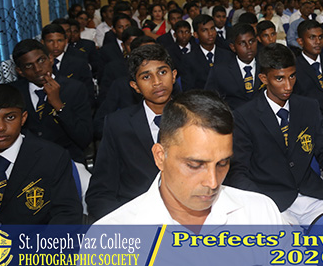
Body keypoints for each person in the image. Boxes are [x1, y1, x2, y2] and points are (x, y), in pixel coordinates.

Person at [96, 90, 284, 226]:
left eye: (222, 163)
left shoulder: (260, 212)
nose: (212, 182)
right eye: (195, 165)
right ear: (160, 156)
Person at [227, 43, 323, 225]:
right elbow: (239, 172)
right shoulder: (244, 116)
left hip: (312, 195)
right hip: (271, 200)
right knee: (292, 249)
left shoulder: (308, 107)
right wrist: (261, 206)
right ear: (263, 78)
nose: (288, 86)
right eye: (279, 79)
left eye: (292, 76)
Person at [86, 44, 177, 221]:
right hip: (135, 216)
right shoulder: (118, 125)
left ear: (173, 75)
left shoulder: (195, 118)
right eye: (146, 76)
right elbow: (100, 191)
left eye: (162, 72)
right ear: (135, 86)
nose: (157, 82)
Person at [0, 84, 82, 225]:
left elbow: (67, 214)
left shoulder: (52, 157)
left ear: (23, 118)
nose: (0, 127)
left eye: (10, 117)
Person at [10, 39, 93, 167]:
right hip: (28, 163)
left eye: (41, 60)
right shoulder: (14, 92)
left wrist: (59, 106)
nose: (37, 69)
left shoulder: (75, 88)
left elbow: (84, 138)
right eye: (28, 65)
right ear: (20, 71)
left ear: (50, 59)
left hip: (67, 160)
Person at [205, 23, 263, 110]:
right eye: (242, 43)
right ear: (233, 47)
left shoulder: (266, 66)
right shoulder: (220, 70)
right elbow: (209, 100)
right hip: (233, 118)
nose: (249, 46)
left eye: (251, 41)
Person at [41, 24, 95, 105]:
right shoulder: (39, 65)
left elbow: (88, 92)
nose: (55, 45)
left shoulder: (79, 63)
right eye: (50, 41)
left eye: (59, 41)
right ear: (43, 42)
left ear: (66, 41)